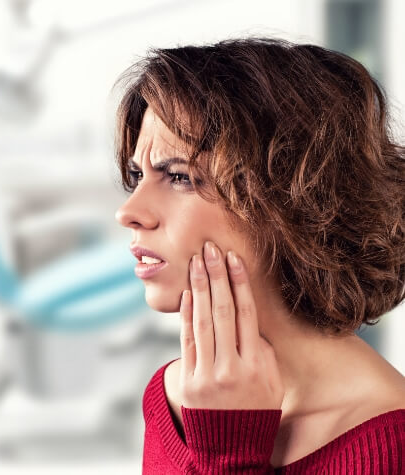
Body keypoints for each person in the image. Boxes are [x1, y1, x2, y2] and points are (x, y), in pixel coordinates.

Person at [113, 37, 405, 474]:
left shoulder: (390, 448)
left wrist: (227, 453)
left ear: (292, 199)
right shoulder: (175, 398)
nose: (128, 213)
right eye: (137, 175)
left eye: (178, 177)